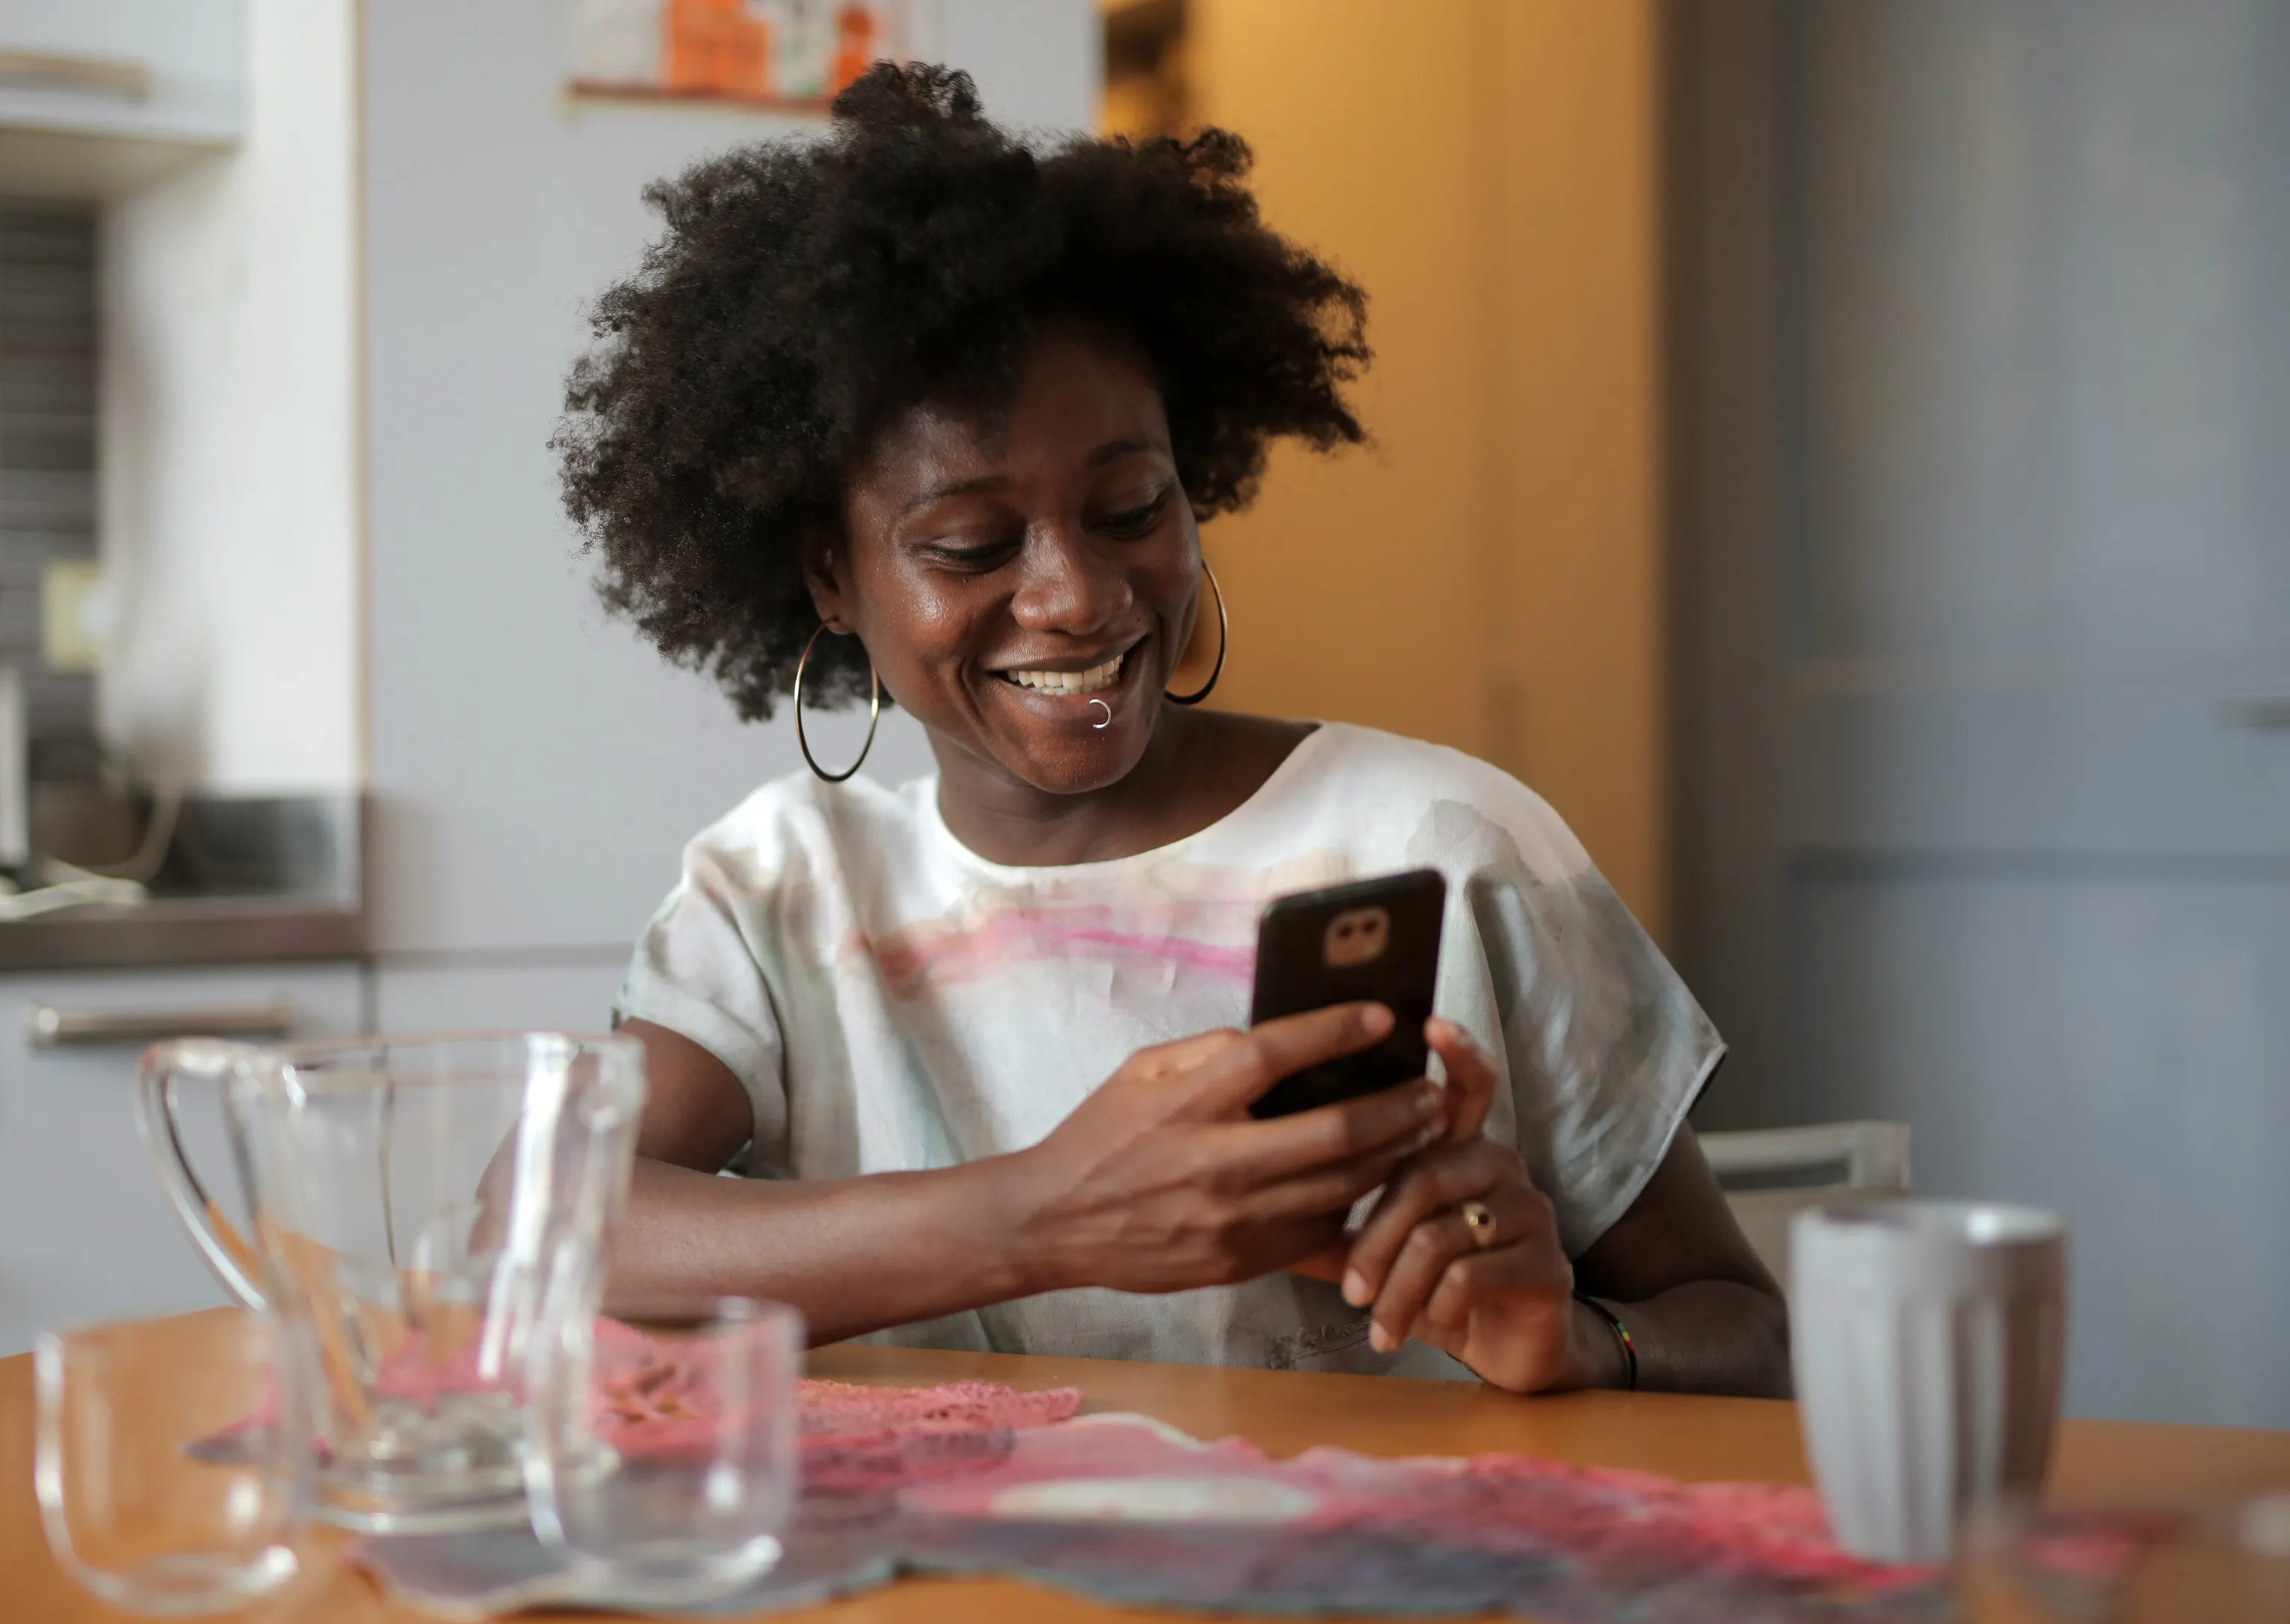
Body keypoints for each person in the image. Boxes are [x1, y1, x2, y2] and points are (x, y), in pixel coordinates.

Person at [557, 63, 1787, 1395]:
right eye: (970, 542)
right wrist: (1046, 1213)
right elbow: (557, 1223)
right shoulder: (782, 893)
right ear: (830, 577)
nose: (1078, 596)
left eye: (1132, 508)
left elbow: (1746, 1330)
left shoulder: (1440, 842)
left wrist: (1580, 1344)